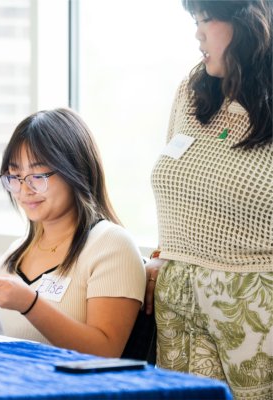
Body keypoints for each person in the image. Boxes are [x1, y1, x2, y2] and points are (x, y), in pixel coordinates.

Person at [0, 108, 146, 357]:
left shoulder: (111, 245)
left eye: (38, 176)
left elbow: (105, 351)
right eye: (15, 176)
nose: (24, 189)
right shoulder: (16, 252)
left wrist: (29, 304)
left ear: (76, 171)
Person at [144, 1, 273, 398]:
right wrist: (166, 253)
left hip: (253, 306)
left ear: (250, 23)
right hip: (176, 298)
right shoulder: (191, 89)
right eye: (193, 20)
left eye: (206, 20)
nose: (197, 33)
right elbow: (179, 181)